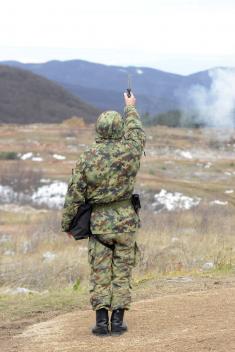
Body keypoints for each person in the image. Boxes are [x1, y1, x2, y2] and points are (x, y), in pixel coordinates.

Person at [61, 92, 146, 336]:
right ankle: (118, 322)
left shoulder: (88, 156)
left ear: (98, 129)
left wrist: (68, 224)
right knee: (122, 272)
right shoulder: (131, 151)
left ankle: (101, 322)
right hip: (127, 222)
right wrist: (130, 107)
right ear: (119, 128)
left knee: (100, 272)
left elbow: (74, 194)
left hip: (99, 226)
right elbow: (137, 132)